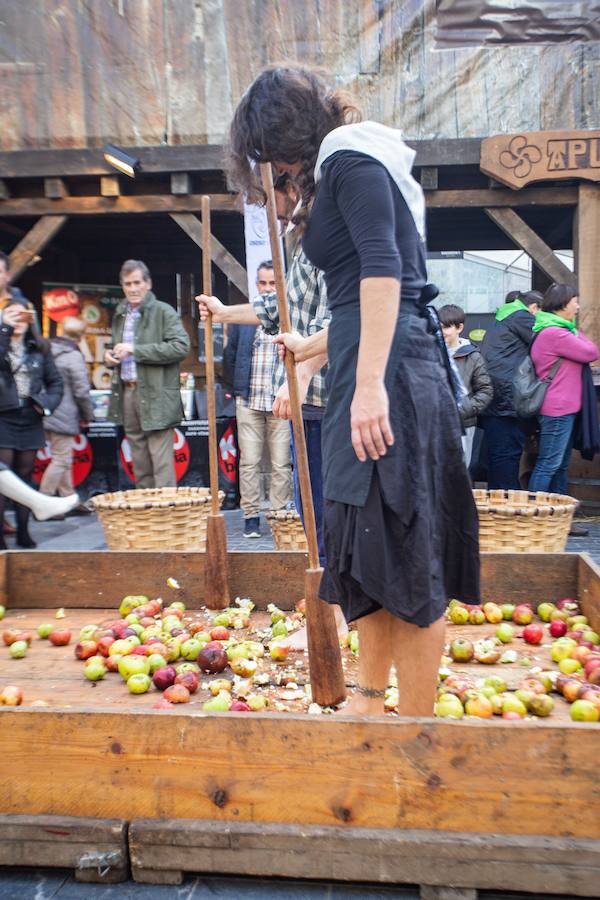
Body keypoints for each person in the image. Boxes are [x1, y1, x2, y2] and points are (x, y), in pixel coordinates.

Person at [227, 65, 480, 716]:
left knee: (409, 551)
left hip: (392, 374)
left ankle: (417, 731)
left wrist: (369, 385)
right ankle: (369, 704)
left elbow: (383, 272)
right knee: (370, 554)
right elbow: (352, 308)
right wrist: (311, 355)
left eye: (272, 165)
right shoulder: (337, 168)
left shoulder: (351, 157)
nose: (275, 181)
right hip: (365, 367)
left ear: (283, 142)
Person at [223, 260, 292, 538]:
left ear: (281, 285)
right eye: (262, 283)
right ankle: (251, 516)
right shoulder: (244, 319)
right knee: (249, 462)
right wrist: (235, 389)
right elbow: (230, 356)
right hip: (249, 400)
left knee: (281, 463)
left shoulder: (288, 315)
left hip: (280, 402)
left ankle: (278, 516)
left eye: (272, 283)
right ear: (256, 285)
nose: (267, 288)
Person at [106, 260, 190, 489]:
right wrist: (111, 358)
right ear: (122, 286)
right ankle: (147, 514)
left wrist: (136, 350)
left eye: (137, 283)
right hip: (128, 391)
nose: (132, 288)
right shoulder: (121, 312)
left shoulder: (163, 311)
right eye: (127, 284)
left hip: (156, 394)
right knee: (139, 459)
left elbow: (181, 347)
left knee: (161, 461)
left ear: (148, 284)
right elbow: (118, 347)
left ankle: (166, 514)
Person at [0, 302, 63, 548]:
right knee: (3, 475)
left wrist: (45, 404)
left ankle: (24, 532)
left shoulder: (40, 348)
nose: (18, 321)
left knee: (25, 475)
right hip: (4, 415)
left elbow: (56, 382)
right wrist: (4, 329)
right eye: (13, 316)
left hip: (31, 416)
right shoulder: (2, 343)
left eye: (23, 316)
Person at [528, 283, 598, 496]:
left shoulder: (555, 329)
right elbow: (591, 352)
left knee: (559, 466)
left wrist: (572, 328)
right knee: (549, 464)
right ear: (562, 304)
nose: (578, 307)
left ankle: (560, 519)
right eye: (575, 302)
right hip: (557, 409)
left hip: (562, 408)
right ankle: (535, 516)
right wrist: (575, 329)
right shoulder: (555, 333)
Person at [479, 289, 542, 490]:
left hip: (494, 394)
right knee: (506, 456)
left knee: (498, 455)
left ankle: (497, 505)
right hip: (506, 396)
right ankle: (506, 507)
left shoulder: (504, 317)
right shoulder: (522, 316)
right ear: (534, 308)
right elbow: (546, 340)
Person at [40, 316, 94, 511]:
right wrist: (88, 415)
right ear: (81, 336)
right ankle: (44, 502)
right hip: (64, 412)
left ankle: (69, 497)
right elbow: (81, 391)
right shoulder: (72, 355)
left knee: (62, 457)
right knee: (61, 459)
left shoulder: (46, 350)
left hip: (46, 410)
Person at [0, 250, 37, 536]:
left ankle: (20, 523)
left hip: (15, 403)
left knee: (17, 469)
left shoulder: (18, 302)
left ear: (7, 274)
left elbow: (33, 343)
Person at [438, 303, 492, 466]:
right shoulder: (429, 352)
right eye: (438, 327)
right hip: (433, 424)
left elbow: (485, 391)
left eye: (446, 327)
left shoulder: (473, 356)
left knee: (460, 471)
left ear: (459, 327)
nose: (441, 332)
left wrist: (462, 410)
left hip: (463, 424)